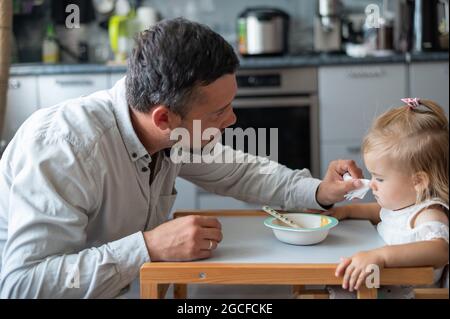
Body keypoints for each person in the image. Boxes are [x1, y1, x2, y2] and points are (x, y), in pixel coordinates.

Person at [0, 18, 363, 298]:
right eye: (220, 111)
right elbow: (21, 286)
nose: (233, 119)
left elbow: (241, 173)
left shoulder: (167, 130)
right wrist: (149, 246)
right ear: (164, 118)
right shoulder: (64, 147)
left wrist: (319, 192)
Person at [327, 98, 449, 298]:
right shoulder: (403, 204)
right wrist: (345, 211)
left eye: (380, 178)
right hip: (382, 285)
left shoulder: (428, 214)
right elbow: (379, 212)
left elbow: (440, 250)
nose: (371, 183)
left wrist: (381, 256)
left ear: (418, 181)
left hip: (408, 294)